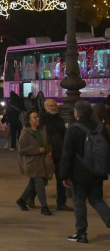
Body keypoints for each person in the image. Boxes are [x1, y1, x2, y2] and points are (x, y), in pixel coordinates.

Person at [60, 99, 110, 244]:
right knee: (97, 200)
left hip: (79, 173)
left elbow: (67, 154)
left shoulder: (73, 129)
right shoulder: (100, 128)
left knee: (79, 202)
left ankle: (81, 233)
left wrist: (64, 175)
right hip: (97, 171)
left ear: (77, 114)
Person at [16, 110, 52, 215]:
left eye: (38, 117)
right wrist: (37, 150)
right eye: (34, 117)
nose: (37, 119)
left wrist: (48, 151)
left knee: (33, 184)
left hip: (42, 161)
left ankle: (22, 200)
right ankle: (44, 207)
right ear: (29, 120)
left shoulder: (42, 130)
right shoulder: (25, 132)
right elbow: (22, 149)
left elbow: (47, 143)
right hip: (32, 162)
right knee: (39, 183)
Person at [39, 98, 69, 211]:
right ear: (45, 107)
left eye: (55, 105)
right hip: (48, 153)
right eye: (51, 105)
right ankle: (28, 197)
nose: (54, 107)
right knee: (41, 178)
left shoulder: (59, 118)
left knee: (61, 177)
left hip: (59, 152)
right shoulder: (42, 119)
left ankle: (61, 203)